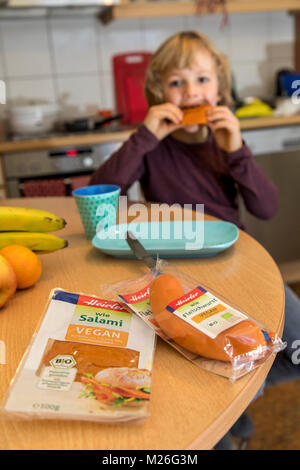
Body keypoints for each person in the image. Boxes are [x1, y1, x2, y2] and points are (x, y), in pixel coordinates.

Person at [90, 31, 300, 448]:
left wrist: (237, 149)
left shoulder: (226, 142)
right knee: (195, 374)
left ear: (220, 89)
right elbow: (103, 193)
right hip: (171, 267)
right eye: (177, 82)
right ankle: (222, 427)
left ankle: (237, 404)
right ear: (158, 92)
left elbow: (267, 208)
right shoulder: (150, 145)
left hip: (238, 261)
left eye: (202, 80)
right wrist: (145, 137)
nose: (191, 93)